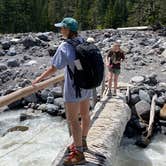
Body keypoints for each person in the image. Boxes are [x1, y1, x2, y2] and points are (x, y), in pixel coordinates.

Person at [32, 17, 91, 165]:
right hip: (87, 84)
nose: (60, 30)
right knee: (85, 115)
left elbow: (54, 68)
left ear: (67, 30)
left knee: (73, 120)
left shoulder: (65, 46)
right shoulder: (83, 41)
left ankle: (78, 154)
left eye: (62, 28)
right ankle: (83, 142)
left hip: (73, 87)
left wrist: (39, 79)